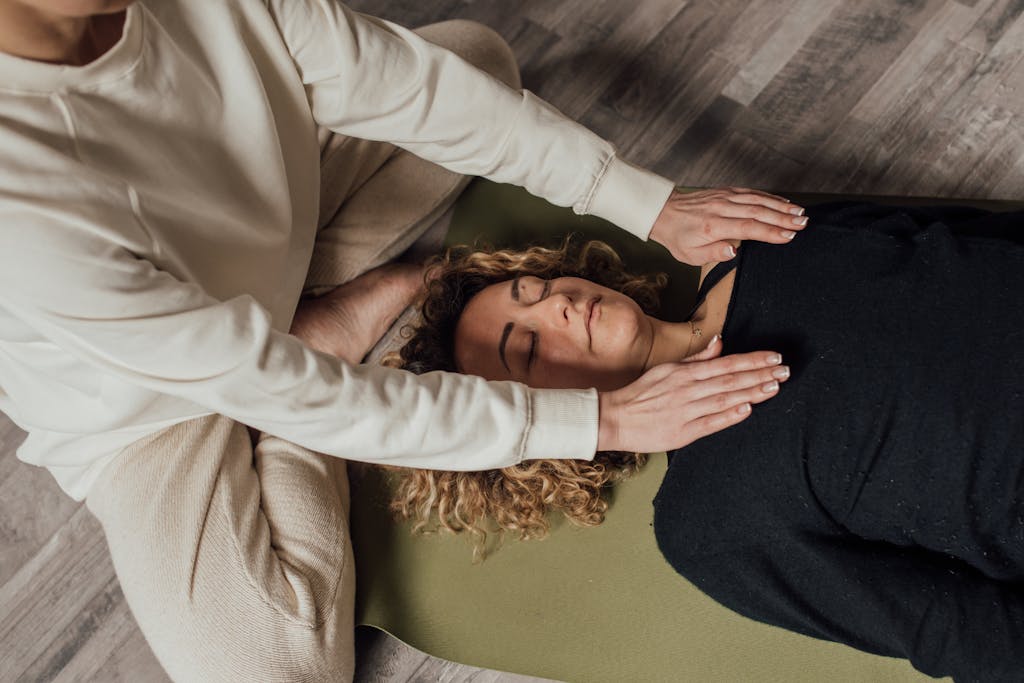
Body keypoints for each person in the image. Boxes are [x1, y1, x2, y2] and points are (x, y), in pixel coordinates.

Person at [0, 1, 810, 680]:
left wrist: (648, 205)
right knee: (268, 668)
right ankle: (317, 343)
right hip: (152, 402)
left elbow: (409, 83)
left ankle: (310, 316)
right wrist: (604, 420)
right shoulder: (20, 203)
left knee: (474, 59)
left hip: (273, 239)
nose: (561, 305)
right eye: (528, 343)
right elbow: (273, 383)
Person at [390, 201, 1024, 681]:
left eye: (536, 290)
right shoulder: (709, 523)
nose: (556, 306)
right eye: (527, 347)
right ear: (539, 424)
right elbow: (954, 629)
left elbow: (977, 232)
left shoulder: (759, 239)